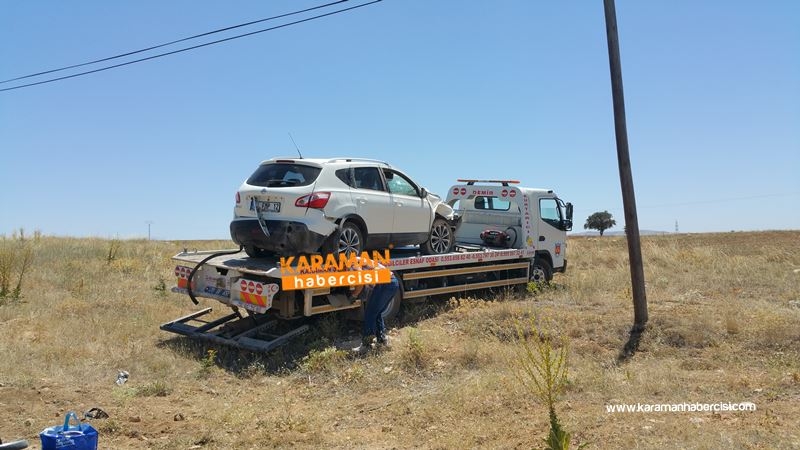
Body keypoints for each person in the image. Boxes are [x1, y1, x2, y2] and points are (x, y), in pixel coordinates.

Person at [350, 259, 399, 352]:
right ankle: (382, 340)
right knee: (376, 312)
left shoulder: (354, 263)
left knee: (370, 313)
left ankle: (367, 344)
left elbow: (361, 281)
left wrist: (354, 295)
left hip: (385, 283)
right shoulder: (363, 260)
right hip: (392, 282)